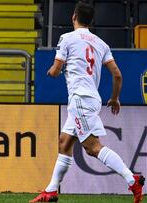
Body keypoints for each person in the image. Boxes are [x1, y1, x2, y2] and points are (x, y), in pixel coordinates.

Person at [29, 2, 144, 203]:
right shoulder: (101, 44)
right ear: (91, 21)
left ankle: (131, 178)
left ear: (74, 17)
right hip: (91, 99)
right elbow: (117, 75)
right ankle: (51, 191)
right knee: (65, 142)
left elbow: (55, 70)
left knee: (92, 148)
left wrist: (52, 71)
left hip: (80, 99)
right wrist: (115, 98)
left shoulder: (67, 38)